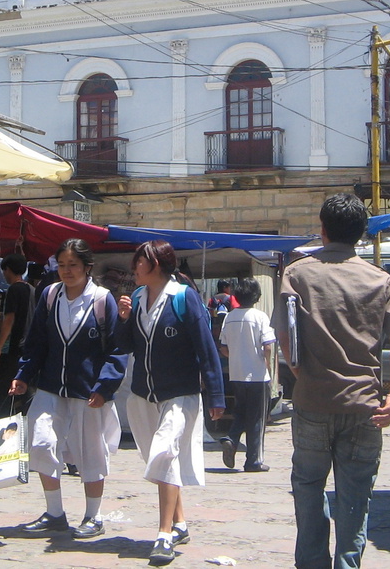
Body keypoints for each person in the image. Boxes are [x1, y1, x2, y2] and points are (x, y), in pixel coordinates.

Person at [272, 193, 390, 569]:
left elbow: (285, 335)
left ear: (322, 230)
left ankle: (312, 562)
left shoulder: (297, 273)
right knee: (355, 496)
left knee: (307, 486)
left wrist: (302, 373)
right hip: (365, 406)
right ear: (362, 234)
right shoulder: (379, 279)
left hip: (313, 401)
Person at [116, 240, 225, 566]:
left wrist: (216, 395)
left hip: (180, 394)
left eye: (140, 261)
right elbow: (125, 346)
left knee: (164, 453)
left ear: (157, 266)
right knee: (162, 460)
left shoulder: (183, 297)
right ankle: (180, 523)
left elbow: (206, 348)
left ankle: (163, 535)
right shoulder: (136, 298)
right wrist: (124, 319)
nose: (135, 267)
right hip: (143, 396)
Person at [9, 238, 124, 540]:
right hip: (49, 386)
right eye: (61, 265)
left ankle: (93, 515)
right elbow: (36, 343)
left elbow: (116, 349)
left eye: (73, 265)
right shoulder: (49, 296)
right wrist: (23, 375)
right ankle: (54, 513)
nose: (67, 270)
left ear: (87, 267)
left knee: (91, 453)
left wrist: (104, 387)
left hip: (88, 392)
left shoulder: (101, 300)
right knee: (41, 442)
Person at [218, 277, 276, 472]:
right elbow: (267, 346)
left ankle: (231, 439)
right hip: (257, 374)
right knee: (257, 418)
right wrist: (266, 362)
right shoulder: (260, 317)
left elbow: (223, 348)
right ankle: (253, 460)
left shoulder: (230, 317)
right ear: (256, 296)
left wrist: (235, 355)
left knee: (241, 412)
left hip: (236, 374)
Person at [0, 253, 35, 416]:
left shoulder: (14, 289)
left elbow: (9, 319)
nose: (4, 274)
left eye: (4, 270)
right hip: (27, 348)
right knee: (23, 389)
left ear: (8, 269)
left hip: (12, 349)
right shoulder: (31, 289)